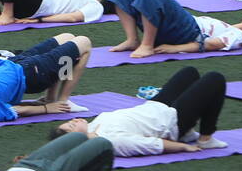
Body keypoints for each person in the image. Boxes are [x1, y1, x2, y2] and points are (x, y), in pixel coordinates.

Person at [56, 66, 227, 155]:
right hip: (171, 123)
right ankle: (206, 139)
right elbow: (151, 145)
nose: (72, 121)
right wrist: (183, 148)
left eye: (68, 122)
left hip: (155, 108)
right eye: (71, 126)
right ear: (78, 140)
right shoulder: (111, 141)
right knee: (215, 78)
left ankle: (188, 133)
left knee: (189, 73)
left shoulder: (93, 127)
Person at [107, 0, 242, 58]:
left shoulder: (238, 35)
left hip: (188, 32)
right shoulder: (229, 27)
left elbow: (213, 44)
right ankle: (132, 40)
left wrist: (176, 48)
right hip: (179, 28)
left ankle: (147, 45)